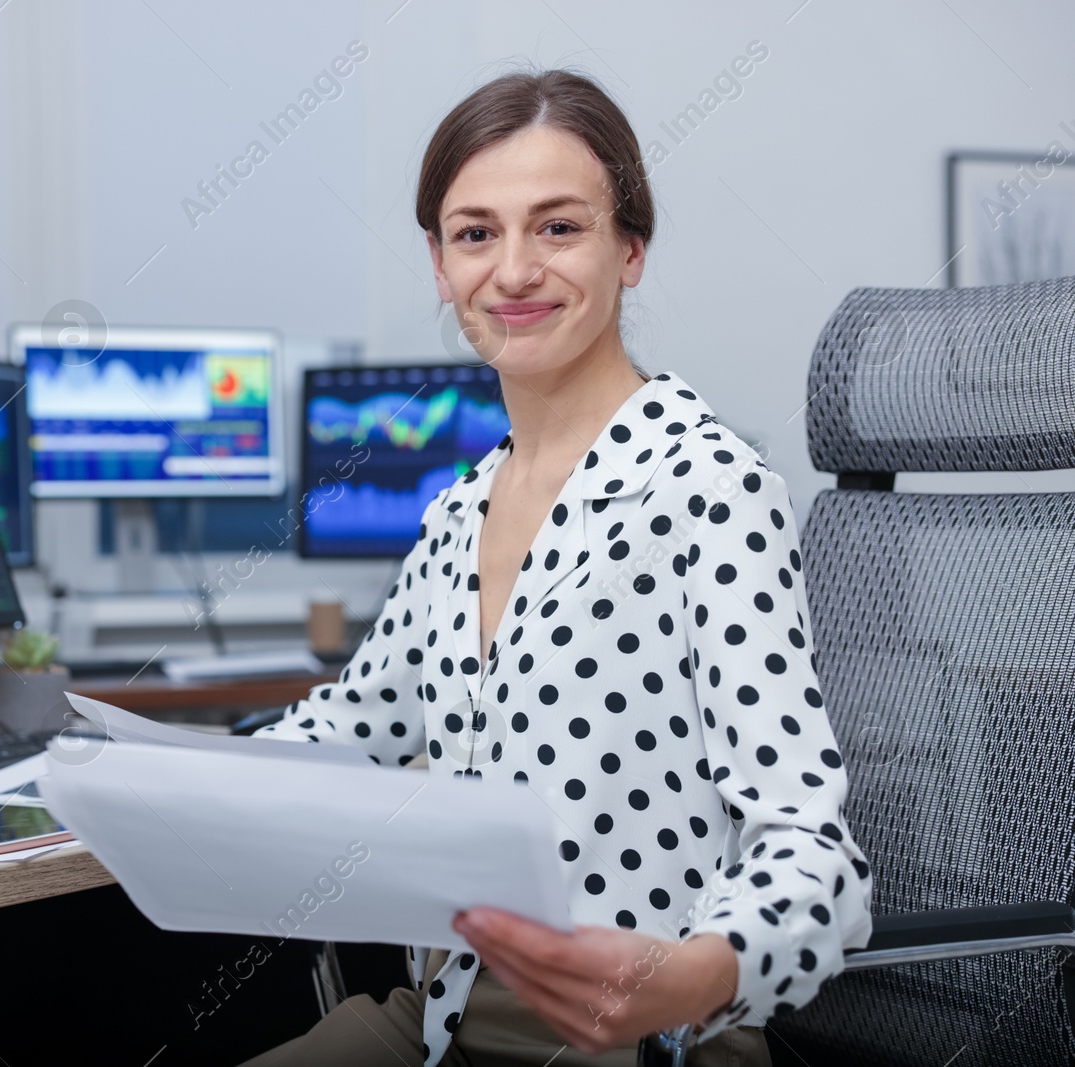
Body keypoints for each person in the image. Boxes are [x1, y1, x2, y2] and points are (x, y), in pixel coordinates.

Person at [242, 69, 872, 1067]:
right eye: (476, 233)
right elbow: (350, 729)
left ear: (629, 249)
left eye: (558, 227)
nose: (514, 271)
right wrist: (124, 777)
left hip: (639, 1041)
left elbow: (814, 851)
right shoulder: (459, 511)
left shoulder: (707, 488)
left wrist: (700, 971)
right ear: (440, 265)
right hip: (437, 1018)